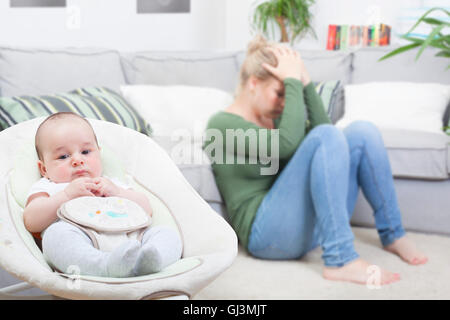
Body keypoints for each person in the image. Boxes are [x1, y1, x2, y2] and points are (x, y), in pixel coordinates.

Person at [204, 36, 428, 286]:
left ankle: (393, 234)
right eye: (280, 93)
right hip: (265, 236)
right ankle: (340, 259)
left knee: (362, 133)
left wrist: (305, 82)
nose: (284, 103)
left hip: (305, 229)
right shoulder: (221, 125)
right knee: (325, 136)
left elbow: (330, 140)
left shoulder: (275, 120)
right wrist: (291, 79)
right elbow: (290, 143)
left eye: (289, 94)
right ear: (254, 83)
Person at [23, 112, 182, 278]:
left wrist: (117, 192)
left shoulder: (111, 183)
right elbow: (32, 220)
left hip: (130, 238)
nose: (77, 160)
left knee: (166, 234)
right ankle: (105, 266)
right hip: (82, 240)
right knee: (55, 237)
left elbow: (146, 209)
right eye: (63, 156)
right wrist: (66, 195)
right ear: (44, 169)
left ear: (99, 154)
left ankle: (153, 261)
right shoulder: (50, 187)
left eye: (85, 152)